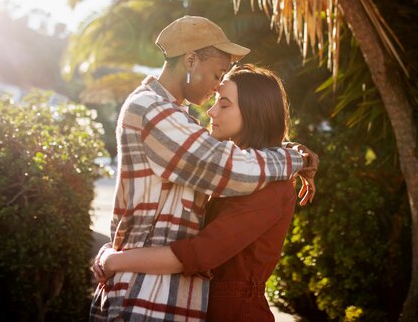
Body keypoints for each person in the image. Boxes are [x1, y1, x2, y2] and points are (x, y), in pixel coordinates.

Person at [90, 16, 318, 322]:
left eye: (224, 101)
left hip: (171, 297)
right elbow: (229, 168)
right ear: (190, 60)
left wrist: (116, 259)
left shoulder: (179, 121)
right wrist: (296, 158)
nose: (214, 91)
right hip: (145, 294)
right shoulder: (155, 111)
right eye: (216, 74)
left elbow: (227, 171)